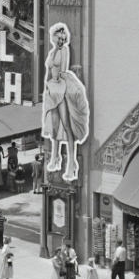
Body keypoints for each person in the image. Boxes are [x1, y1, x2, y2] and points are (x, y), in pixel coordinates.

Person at [42, 22, 90, 181]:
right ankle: (55, 158)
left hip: (60, 89)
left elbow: (62, 71)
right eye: (59, 38)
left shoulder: (64, 50)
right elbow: (49, 72)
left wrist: (59, 87)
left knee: (66, 125)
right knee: (55, 126)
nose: (61, 41)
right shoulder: (52, 51)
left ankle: (71, 163)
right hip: (51, 89)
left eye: (63, 38)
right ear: (54, 38)